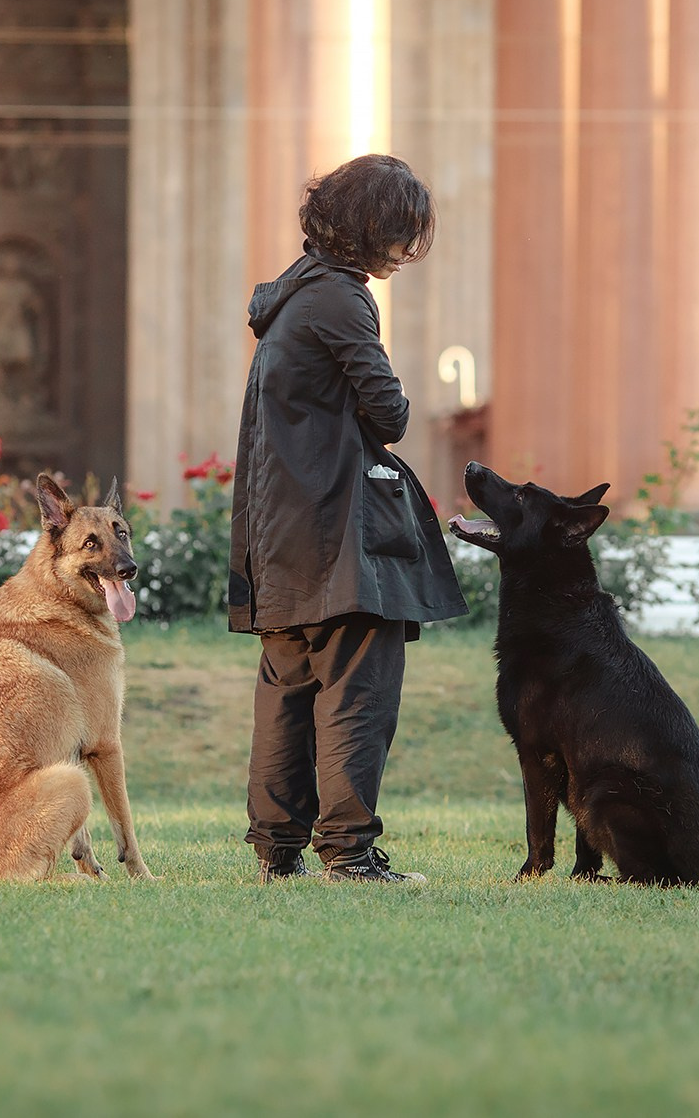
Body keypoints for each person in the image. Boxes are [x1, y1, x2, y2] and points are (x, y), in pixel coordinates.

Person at [228, 153, 468, 884]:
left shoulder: (291, 299)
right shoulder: (340, 297)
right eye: (401, 234)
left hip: (279, 536)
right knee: (356, 692)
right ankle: (351, 853)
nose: (405, 251)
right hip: (337, 533)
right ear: (372, 228)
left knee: (288, 686)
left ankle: (277, 852)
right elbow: (389, 412)